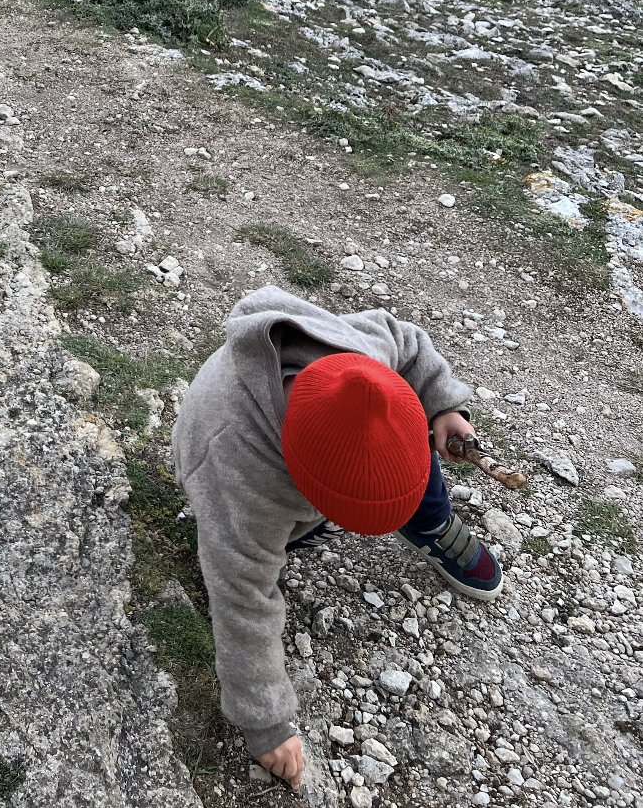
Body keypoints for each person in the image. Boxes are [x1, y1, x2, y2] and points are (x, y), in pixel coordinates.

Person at [172, 284, 502, 791]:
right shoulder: (244, 482)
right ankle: (285, 549)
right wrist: (265, 723)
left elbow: (405, 340)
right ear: (306, 488)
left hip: (316, 447)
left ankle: (427, 519)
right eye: (349, 514)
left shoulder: (361, 364)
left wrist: (438, 406)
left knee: (395, 422)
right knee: (254, 569)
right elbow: (240, 596)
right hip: (230, 470)